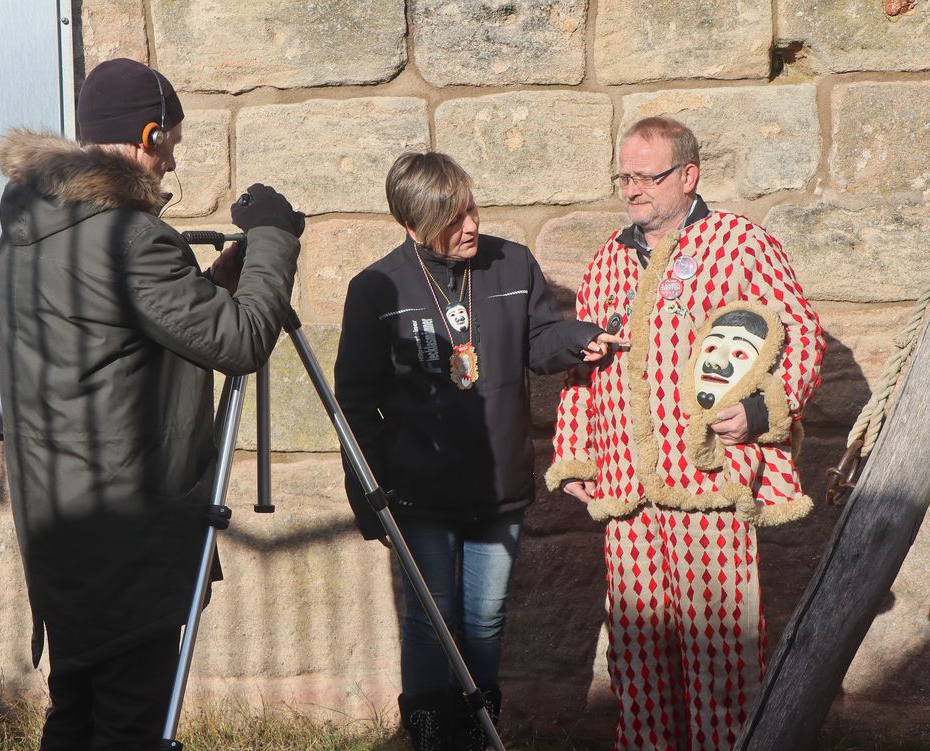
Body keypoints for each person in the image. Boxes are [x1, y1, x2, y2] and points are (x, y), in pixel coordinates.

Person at [0, 58, 305, 751]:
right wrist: (275, 239)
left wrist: (212, 281)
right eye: (174, 144)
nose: (172, 163)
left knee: (75, 714)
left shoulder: (28, 234)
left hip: (58, 531)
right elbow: (244, 340)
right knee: (132, 725)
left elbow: (116, 336)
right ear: (149, 135)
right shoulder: (130, 239)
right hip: (124, 542)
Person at [545, 116, 824, 751]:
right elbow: (582, 370)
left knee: (721, 654)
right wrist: (578, 457)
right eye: (626, 176)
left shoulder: (741, 243)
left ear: (688, 175)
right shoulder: (607, 260)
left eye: (647, 175)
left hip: (709, 488)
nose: (633, 189)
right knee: (638, 660)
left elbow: (801, 334)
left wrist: (761, 412)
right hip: (627, 495)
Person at [334, 151, 625, 751]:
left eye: (470, 208)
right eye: (451, 217)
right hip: (420, 492)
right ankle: (431, 730)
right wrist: (370, 494)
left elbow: (540, 338)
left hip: (499, 487)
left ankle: (479, 729)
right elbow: (355, 403)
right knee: (430, 619)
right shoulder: (375, 289)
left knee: (486, 617)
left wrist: (579, 338)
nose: (470, 225)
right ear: (413, 225)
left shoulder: (511, 263)